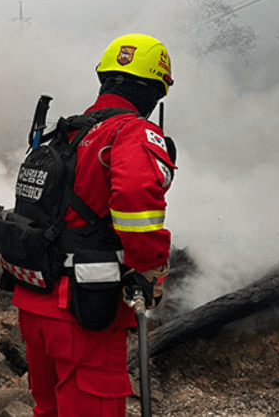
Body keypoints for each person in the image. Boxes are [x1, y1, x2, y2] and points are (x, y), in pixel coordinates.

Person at [12, 34, 176, 416]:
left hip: (35, 303)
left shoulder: (67, 132)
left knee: (49, 410)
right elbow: (135, 196)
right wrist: (149, 265)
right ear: (155, 91)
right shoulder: (131, 131)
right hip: (82, 312)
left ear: (104, 80)